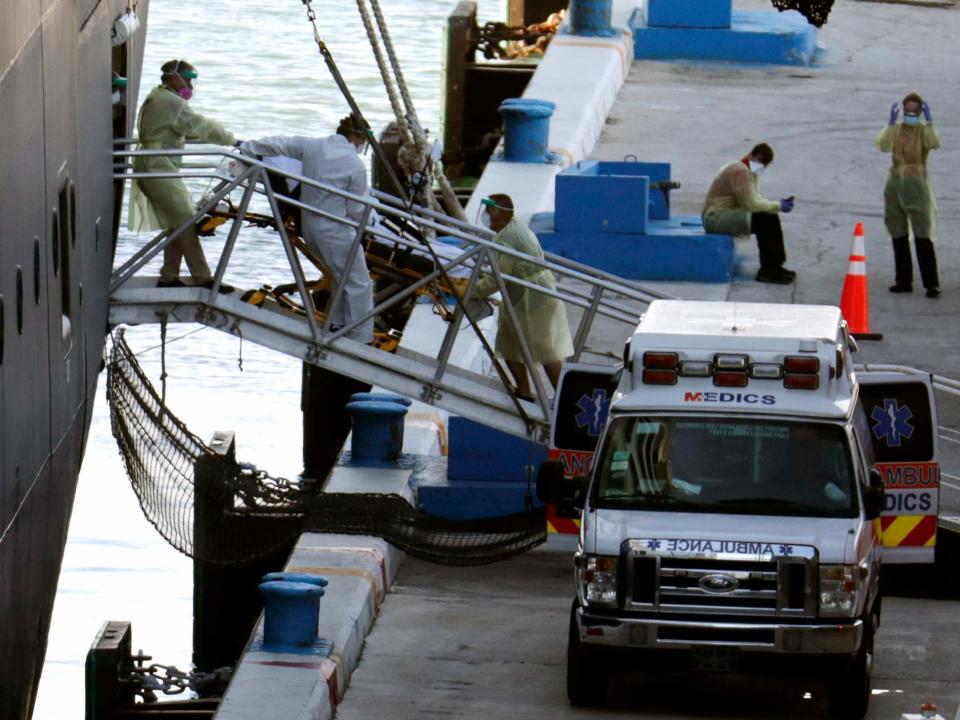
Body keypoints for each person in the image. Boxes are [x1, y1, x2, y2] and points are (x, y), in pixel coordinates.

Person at [240, 114, 374, 343]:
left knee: (341, 275)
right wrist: (369, 223)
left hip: (310, 228)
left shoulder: (313, 146)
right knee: (360, 282)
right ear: (355, 137)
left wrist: (247, 148)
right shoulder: (354, 165)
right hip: (335, 231)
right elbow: (357, 210)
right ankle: (362, 339)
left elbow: (279, 143)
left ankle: (337, 324)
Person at [129, 59, 237, 290]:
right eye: (187, 79)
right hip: (156, 167)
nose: (190, 84)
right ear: (172, 77)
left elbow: (175, 129)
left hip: (152, 165)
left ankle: (169, 277)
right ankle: (203, 278)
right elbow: (200, 124)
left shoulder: (157, 96)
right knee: (186, 220)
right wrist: (231, 140)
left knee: (175, 221)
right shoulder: (171, 102)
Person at [472, 194, 573, 399]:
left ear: (500, 214)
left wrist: (471, 290)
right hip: (529, 295)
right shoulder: (511, 228)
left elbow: (497, 278)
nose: (486, 218)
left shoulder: (508, 238)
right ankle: (525, 391)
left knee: (546, 351)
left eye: (489, 213)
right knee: (511, 344)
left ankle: (564, 398)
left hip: (534, 298)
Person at [876, 93, 941, 298]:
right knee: (898, 232)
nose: (911, 115)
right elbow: (883, 145)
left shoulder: (922, 131)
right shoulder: (896, 131)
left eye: (915, 111)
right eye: (908, 111)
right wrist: (890, 124)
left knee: (923, 234)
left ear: (920, 112)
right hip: (895, 183)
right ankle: (903, 280)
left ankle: (931, 283)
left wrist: (930, 122)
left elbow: (933, 143)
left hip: (916, 184)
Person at [702, 143, 796, 284]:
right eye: (759, 160)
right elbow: (751, 204)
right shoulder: (740, 170)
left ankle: (775, 266)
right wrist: (778, 205)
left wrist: (776, 206)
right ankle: (767, 270)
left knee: (769, 216)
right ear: (751, 154)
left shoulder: (747, 170)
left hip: (724, 215)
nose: (760, 165)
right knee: (765, 220)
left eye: (764, 163)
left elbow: (755, 198)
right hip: (715, 219)